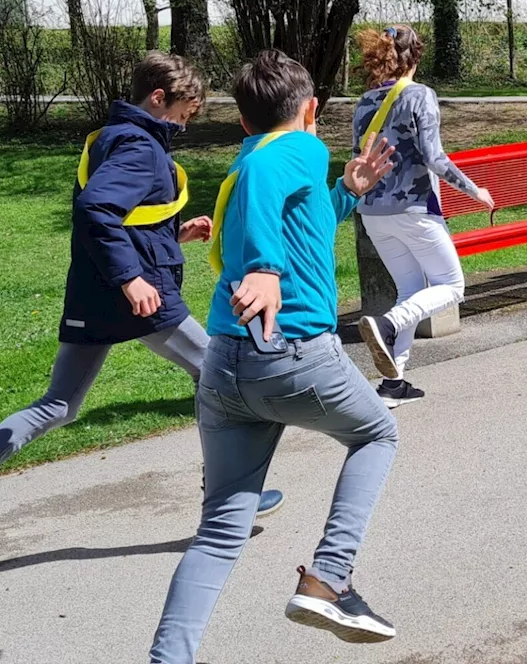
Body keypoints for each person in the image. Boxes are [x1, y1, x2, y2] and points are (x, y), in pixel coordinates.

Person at [0, 52, 283, 579]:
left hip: (98, 294)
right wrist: (132, 278)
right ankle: (227, 497)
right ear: (159, 98)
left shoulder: (112, 137)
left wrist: (170, 236)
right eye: (184, 111)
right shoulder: (139, 146)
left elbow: (116, 219)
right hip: (139, 296)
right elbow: (95, 212)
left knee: (60, 404)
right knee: (216, 372)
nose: (185, 123)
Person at [149, 49, 401, 662]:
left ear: (242, 121)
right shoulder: (299, 147)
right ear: (310, 109)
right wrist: (264, 267)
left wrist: (348, 191)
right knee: (378, 434)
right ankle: (329, 579)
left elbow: (302, 217)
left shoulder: (252, 158)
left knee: (219, 532)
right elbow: (272, 196)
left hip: (225, 366)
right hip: (291, 354)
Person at [353, 25, 494, 408]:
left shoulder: (365, 101)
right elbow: (434, 158)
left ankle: (393, 383)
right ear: (417, 56)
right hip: (414, 210)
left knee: (410, 291)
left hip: (372, 213)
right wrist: (474, 189)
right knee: (452, 286)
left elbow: (358, 158)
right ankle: (385, 325)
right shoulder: (421, 96)